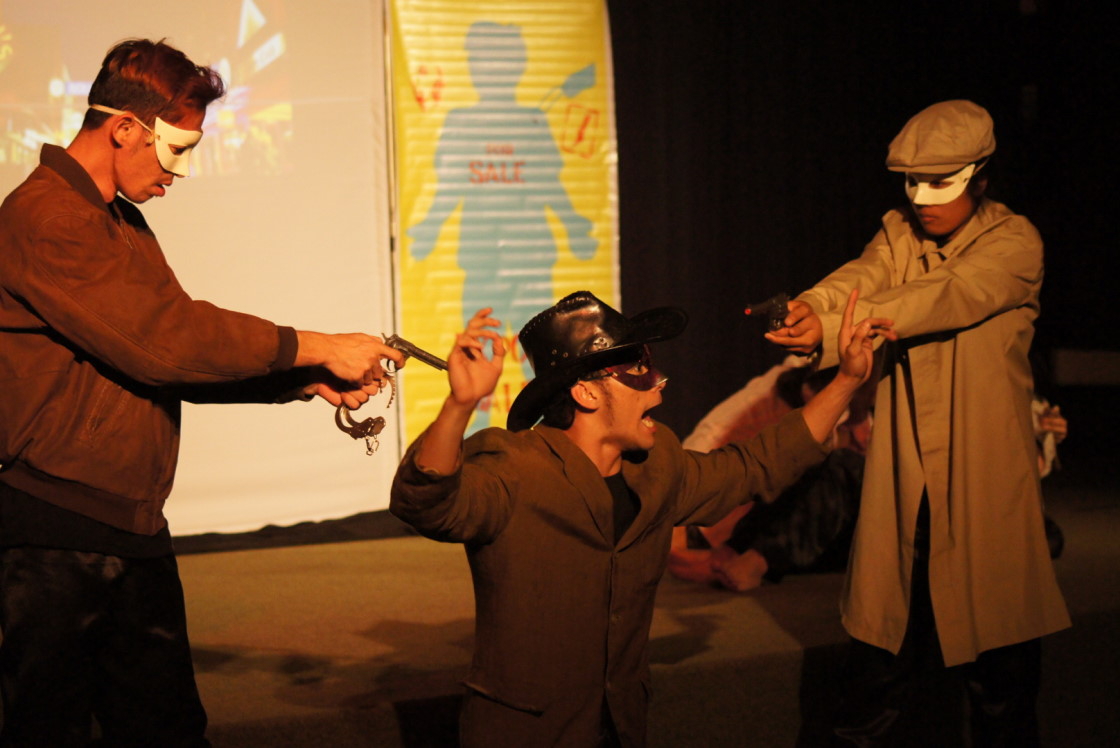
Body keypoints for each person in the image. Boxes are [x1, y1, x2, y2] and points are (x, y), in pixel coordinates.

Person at [0, 39, 403, 746]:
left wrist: (302, 379)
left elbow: (170, 358)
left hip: (130, 529)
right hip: (54, 539)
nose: (179, 171)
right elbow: (166, 342)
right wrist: (318, 345)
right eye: (176, 148)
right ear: (125, 128)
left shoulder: (121, 223)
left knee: (169, 730)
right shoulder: (47, 219)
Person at [390, 288, 895, 746]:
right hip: (527, 732)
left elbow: (755, 466)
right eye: (638, 371)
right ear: (586, 392)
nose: (659, 387)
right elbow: (425, 504)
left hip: (620, 725)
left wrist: (847, 382)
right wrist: (460, 405)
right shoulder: (515, 465)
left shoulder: (656, 466)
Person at [765, 100, 1070, 746]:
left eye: (940, 183)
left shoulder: (1014, 242)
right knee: (876, 679)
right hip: (908, 485)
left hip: (984, 485)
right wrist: (812, 309)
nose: (922, 199)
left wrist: (836, 323)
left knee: (1003, 691)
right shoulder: (900, 234)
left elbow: (944, 295)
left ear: (980, 177)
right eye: (912, 182)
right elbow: (862, 277)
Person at [668, 360, 872, 591]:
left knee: (834, 465)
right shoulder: (770, 406)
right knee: (807, 463)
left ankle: (754, 557)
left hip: (850, 524)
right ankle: (744, 555)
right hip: (705, 521)